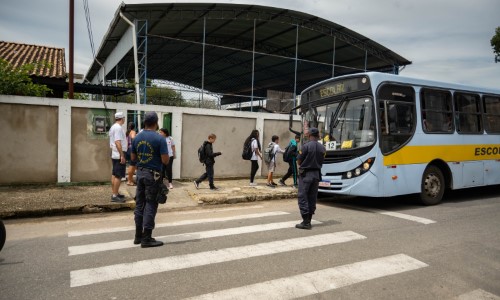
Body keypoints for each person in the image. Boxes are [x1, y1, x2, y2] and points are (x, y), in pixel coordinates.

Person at [131, 111, 169, 248]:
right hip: (153, 175)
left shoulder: (137, 137)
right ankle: (146, 238)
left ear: (145, 122)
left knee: (139, 204)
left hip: (140, 174)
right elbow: (165, 160)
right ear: (156, 123)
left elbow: (133, 158)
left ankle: (137, 236)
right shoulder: (160, 139)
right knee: (151, 204)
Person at [296, 127, 325, 230]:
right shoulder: (322, 148)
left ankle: (306, 222)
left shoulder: (305, 146)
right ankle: (309, 220)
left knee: (303, 196)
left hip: (306, 175)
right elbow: (322, 160)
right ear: (317, 135)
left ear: (309, 135)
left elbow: (299, 161)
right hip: (316, 175)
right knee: (312, 197)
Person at [109, 111, 127, 203]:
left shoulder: (113, 127)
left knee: (115, 174)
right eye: (124, 118)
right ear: (122, 118)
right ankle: (115, 196)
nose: (124, 119)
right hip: (119, 154)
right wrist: (122, 155)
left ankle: (115, 192)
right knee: (118, 175)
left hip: (115, 153)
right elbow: (117, 142)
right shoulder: (118, 128)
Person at [126, 122, 137, 186]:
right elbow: (133, 138)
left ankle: (131, 179)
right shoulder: (133, 132)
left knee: (132, 165)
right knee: (132, 165)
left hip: (127, 149)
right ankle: (129, 181)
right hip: (131, 149)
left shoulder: (127, 132)